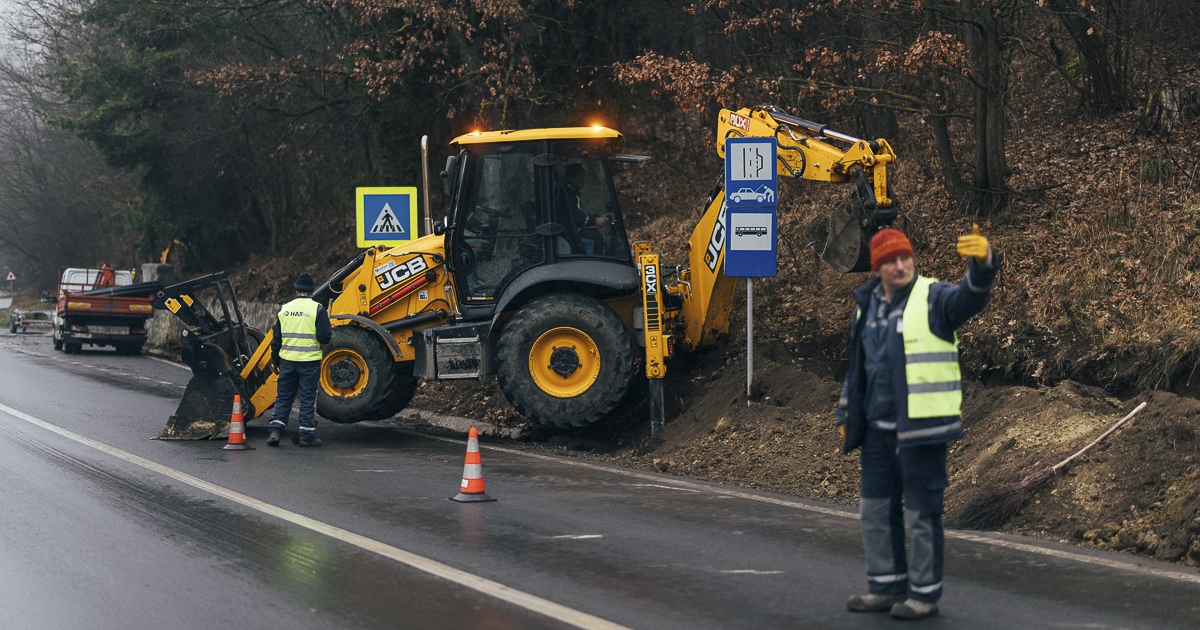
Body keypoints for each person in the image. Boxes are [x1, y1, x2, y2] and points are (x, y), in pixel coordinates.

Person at [837, 225, 999, 620]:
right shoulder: (866, 306)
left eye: (904, 257)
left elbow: (969, 300)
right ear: (876, 268)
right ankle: (886, 586)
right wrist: (846, 412)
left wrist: (984, 264)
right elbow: (857, 368)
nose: (900, 265)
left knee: (921, 513)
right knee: (875, 509)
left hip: (921, 430)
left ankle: (924, 594)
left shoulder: (933, 296)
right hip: (877, 431)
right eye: (890, 260)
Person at [267, 272, 331, 447]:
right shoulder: (318, 309)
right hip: (310, 362)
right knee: (307, 398)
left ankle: (275, 431)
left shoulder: (284, 309)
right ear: (311, 292)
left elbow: (276, 339)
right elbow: (324, 337)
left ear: (296, 291)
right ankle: (305, 436)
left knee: (284, 397)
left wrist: (275, 360)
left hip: (287, 361)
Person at [564, 163, 609, 254]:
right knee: (597, 238)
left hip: (576, 230)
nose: (583, 180)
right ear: (571, 178)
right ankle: (593, 265)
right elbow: (574, 215)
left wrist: (597, 218)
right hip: (573, 233)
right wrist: (594, 221)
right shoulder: (568, 193)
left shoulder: (573, 192)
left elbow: (580, 214)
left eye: (584, 177)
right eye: (580, 177)